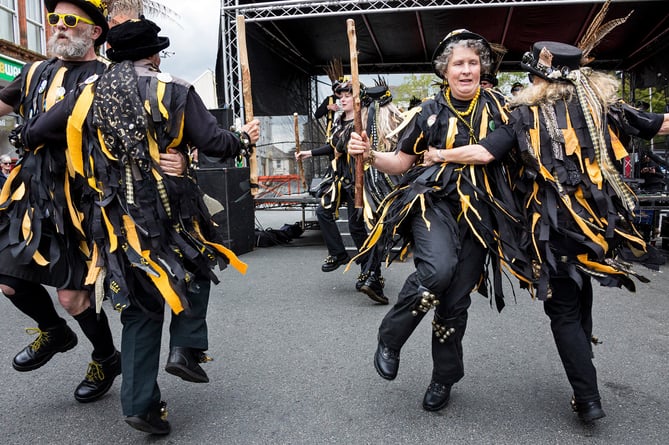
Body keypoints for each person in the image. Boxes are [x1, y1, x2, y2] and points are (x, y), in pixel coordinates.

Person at [395, 41, 669, 422]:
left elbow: (485, 152)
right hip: (595, 229)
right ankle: (584, 388)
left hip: (551, 230)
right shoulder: (601, 106)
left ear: (541, 81)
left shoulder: (522, 114)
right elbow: (658, 122)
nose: (529, 83)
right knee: (579, 295)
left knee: (565, 309)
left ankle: (588, 397)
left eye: (533, 78)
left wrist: (440, 154)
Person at [15, 17, 260, 435]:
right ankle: (186, 348)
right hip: (171, 210)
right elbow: (216, 143)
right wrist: (244, 137)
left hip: (113, 221)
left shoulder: (85, 92)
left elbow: (35, 132)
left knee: (140, 310)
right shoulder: (175, 88)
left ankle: (140, 406)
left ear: (112, 54)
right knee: (196, 266)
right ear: (154, 54)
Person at [348, 29, 524, 411]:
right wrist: (369, 155)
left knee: (454, 303)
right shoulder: (428, 112)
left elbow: (487, 153)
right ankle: (390, 338)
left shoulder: (503, 110)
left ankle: (444, 378)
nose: (466, 70)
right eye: (459, 63)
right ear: (445, 70)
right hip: (434, 202)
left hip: (482, 213)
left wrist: (441, 154)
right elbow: (401, 162)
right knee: (437, 272)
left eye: (473, 63)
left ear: (482, 68)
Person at [0, 0, 123, 404]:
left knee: (73, 298)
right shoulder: (35, 72)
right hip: (31, 199)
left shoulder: (109, 77)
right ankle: (54, 332)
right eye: (54, 19)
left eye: (70, 20)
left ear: (95, 32)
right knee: (9, 280)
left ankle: (106, 357)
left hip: (82, 205)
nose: (58, 26)